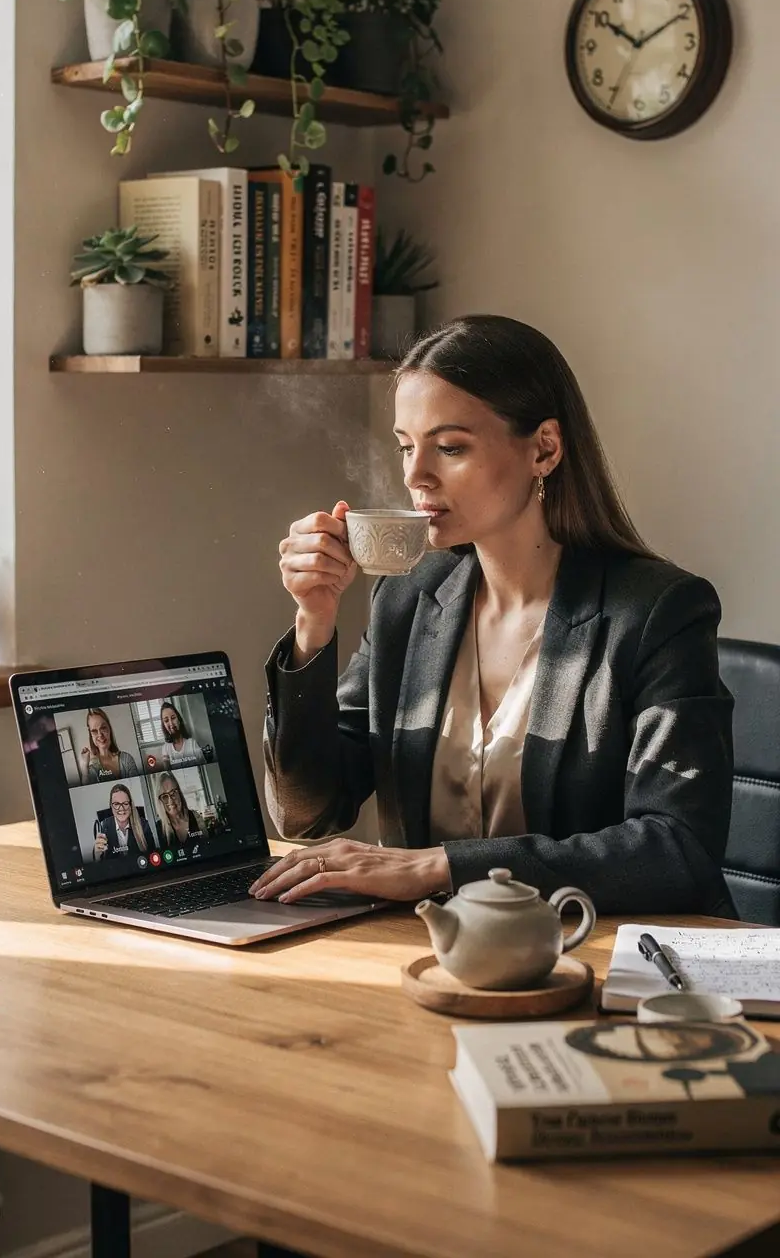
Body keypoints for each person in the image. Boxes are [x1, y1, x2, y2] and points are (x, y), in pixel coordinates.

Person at [257, 314, 734, 916]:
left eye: (450, 447)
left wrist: (438, 867)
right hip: (427, 953)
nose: (415, 475)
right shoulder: (406, 600)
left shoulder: (659, 613)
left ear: (544, 448)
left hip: (592, 954)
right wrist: (313, 623)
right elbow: (309, 811)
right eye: (407, 446)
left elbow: (677, 849)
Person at [93, 783, 155, 861]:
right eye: (116, 804)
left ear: (130, 805)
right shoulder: (104, 826)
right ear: (111, 806)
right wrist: (97, 855)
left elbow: (153, 855)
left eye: (125, 803)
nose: (121, 808)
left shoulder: (144, 825)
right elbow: (102, 862)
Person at [80, 708, 139, 783]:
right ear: (91, 736)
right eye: (94, 731)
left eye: (103, 728)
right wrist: (85, 768)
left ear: (109, 729)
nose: (100, 735)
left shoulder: (127, 759)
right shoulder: (92, 770)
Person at [155, 701, 210, 771]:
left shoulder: (192, 744)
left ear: (179, 720)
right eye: (166, 721)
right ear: (164, 726)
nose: (171, 723)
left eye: (173, 718)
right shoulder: (165, 749)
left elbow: (204, 768)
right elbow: (168, 774)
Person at [155, 772, 205, 848]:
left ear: (179, 794)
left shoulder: (196, 817)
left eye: (173, 793)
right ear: (160, 801)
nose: (171, 801)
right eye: (164, 796)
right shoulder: (158, 829)